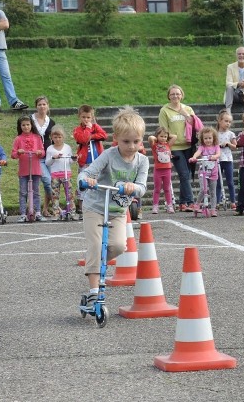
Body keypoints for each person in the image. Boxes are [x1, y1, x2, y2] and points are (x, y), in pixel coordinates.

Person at [77, 107, 148, 311]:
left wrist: (132, 188)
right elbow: (86, 172)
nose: (131, 146)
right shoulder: (108, 155)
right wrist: (86, 180)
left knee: (118, 246)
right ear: (116, 138)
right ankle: (93, 294)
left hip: (117, 211)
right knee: (97, 245)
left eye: (136, 141)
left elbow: (142, 188)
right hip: (95, 207)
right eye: (126, 142)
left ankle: (95, 262)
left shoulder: (142, 161)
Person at [158, 84, 197, 212]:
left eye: (177, 93)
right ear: (169, 96)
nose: (175, 96)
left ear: (182, 95)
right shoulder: (165, 110)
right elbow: (163, 130)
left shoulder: (188, 109)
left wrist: (185, 114)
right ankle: (191, 202)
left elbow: (195, 124)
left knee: (187, 174)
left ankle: (182, 202)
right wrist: (167, 145)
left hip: (189, 145)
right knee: (184, 174)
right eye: (172, 94)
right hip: (174, 146)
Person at [73, 104, 107, 214]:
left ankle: (98, 208)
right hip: (85, 162)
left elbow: (103, 135)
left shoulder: (95, 127)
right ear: (79, 117)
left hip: (97, 161)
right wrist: (88, 129)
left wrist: (92, 136)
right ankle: (83, 208)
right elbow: (83, 139)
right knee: (84, 184)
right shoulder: (77, 130)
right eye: (84, 117)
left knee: (98, 184)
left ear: (92, 117)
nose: (86, 120)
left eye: (88, 117)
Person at [11, 115, 45, 222]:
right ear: (20, 126)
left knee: (36, 191)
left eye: (28, 125)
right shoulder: (18, 139)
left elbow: (43, 152)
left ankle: (38, 212)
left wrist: (40, 152)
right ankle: (22, 213)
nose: (26, 127)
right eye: (23, 125)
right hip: (24, 170)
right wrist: (18, 152)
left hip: (35, 169)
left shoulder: (37, 137)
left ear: (31, 125)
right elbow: (13, 154)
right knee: (23, 192)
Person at [30, 95, 56, 216]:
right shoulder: (30, 120)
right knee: (47, 180)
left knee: (50, 183)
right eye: (39, 104)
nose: (42, 106)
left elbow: (54, 138)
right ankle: (57, 207)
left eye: (44, 104)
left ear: (48, 106)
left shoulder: (51, 122)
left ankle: (45, 209)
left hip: (49, 155)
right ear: (36, 106)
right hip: (36, 156)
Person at [44, 126, 76, 219]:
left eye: (59, 137)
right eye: (55, 137)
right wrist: (53, 158)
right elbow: (47, 163)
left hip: (66, 174)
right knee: (55, 195)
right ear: (52, 138)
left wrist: (74, 159)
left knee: (69, 194)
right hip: (55, 175)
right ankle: (56, 213)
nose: (57, 139)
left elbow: (70, 160)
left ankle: (72, 212)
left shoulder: (67, 147)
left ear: (63, 137)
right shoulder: (50, 149)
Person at [189, 127, 221, 217]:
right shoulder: (202, 147)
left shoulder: (216, 147)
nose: (208, 140)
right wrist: (194, 157)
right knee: (203, 189)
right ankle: (197, 204)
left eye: (210, 138)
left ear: (213, 138)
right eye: (206, 138)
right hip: (203, 172)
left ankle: (213, 209)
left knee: (213, 191)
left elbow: (218, 154)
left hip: (213, 172)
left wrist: (215, 156)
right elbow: (198, 153)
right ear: (202, 139)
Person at [148, 126, 175, 214]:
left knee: (167, 188)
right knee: (157, 189)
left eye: (165, 137)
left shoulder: (167, 145)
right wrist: (156, 137)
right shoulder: (154, 146)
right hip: (158, 170)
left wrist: (166, 134)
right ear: (157, 136)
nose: (163, 138)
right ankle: (155, 206)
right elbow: (150, 138)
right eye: (161, 136)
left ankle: (169, 205)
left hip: (167, 170)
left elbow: (175, 137)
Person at [215, 110, 237, 210]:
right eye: (226, 121)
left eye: (229, 122)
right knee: (218, 182)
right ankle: (217, 201)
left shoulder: (231, 134)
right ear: (220, 121)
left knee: (230, 181)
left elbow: (235, 146)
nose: (228, 123)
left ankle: (233, 201)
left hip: (228, 159)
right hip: (218, 160)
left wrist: (228, 144)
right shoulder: (215, 134)